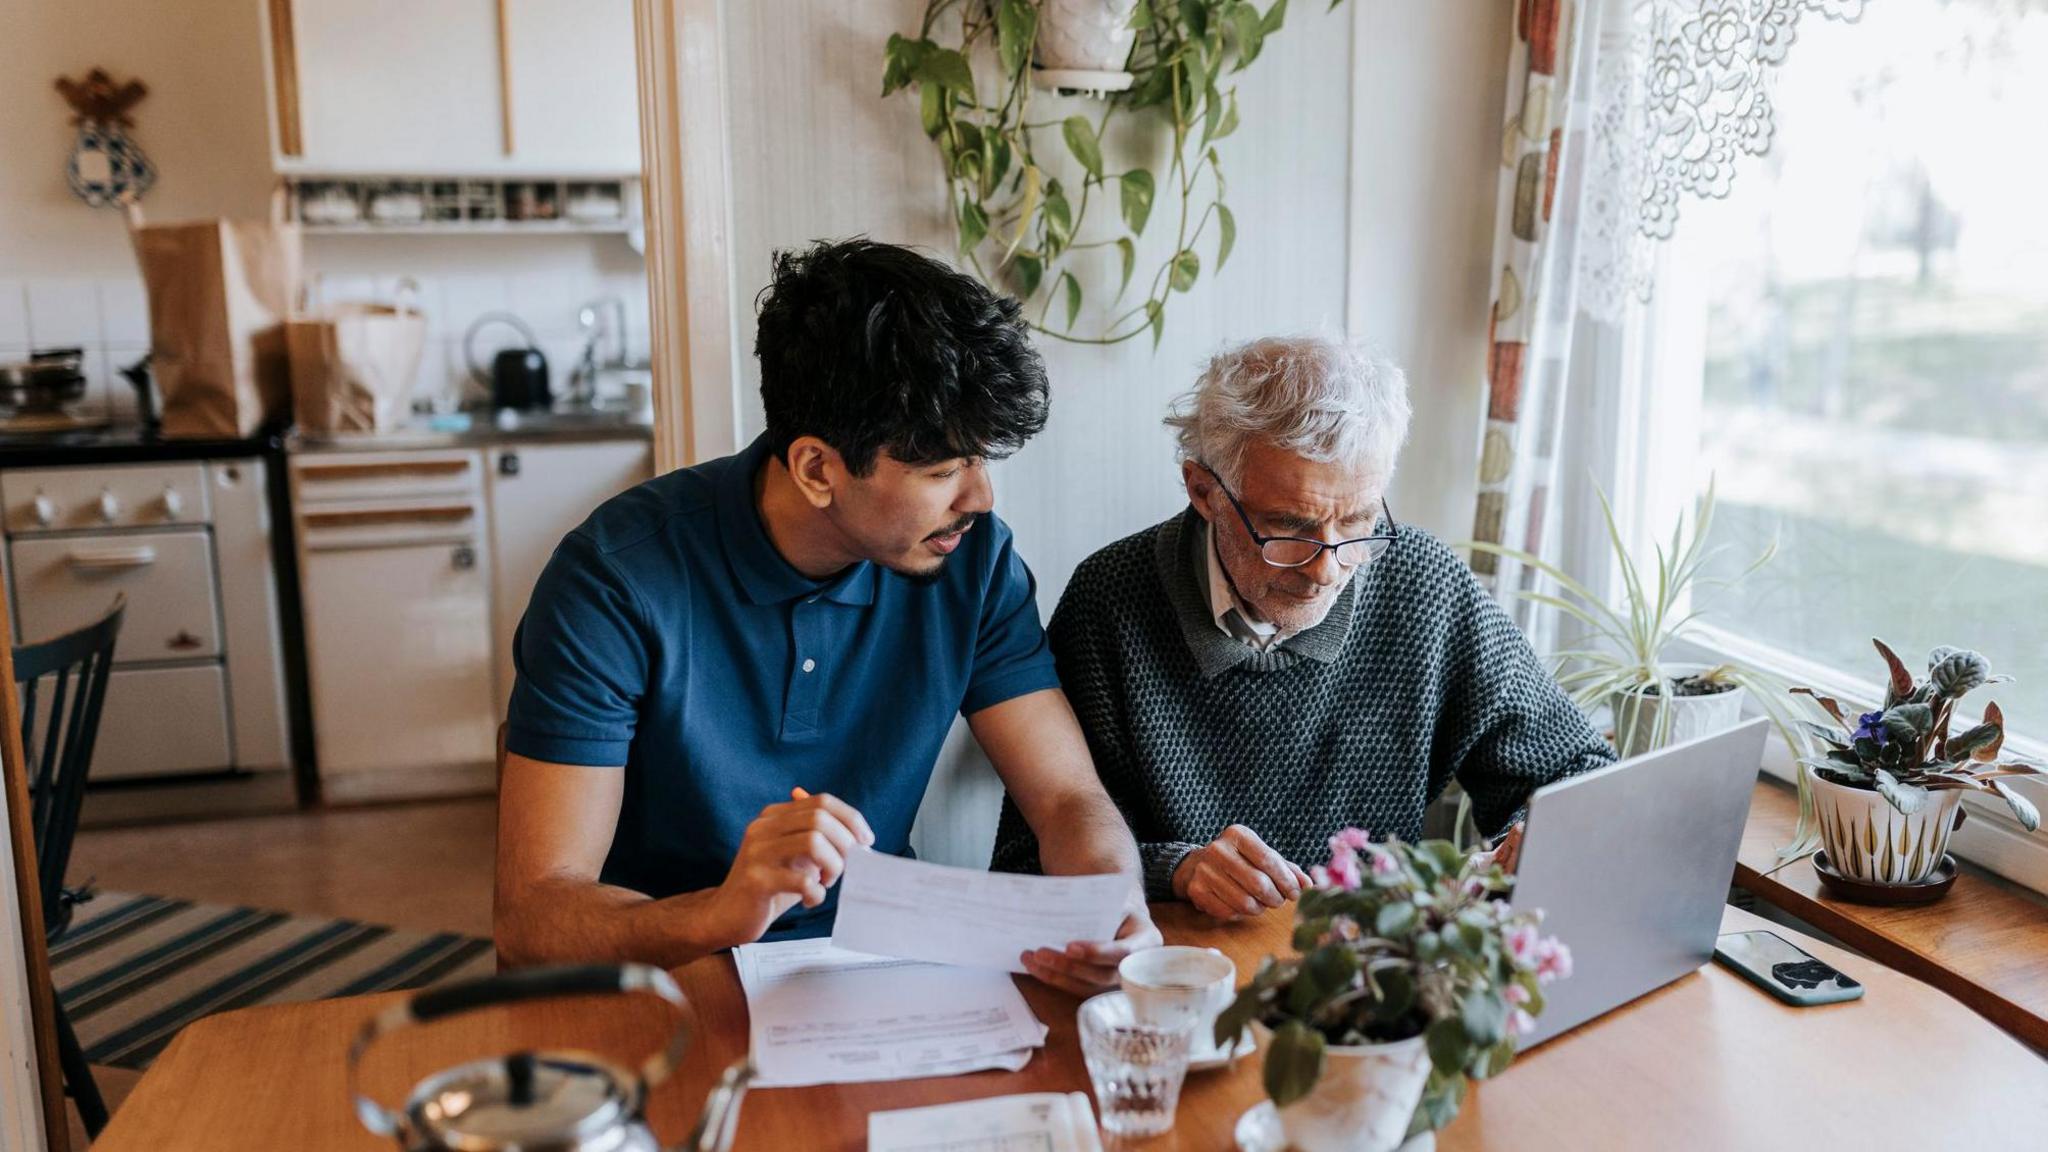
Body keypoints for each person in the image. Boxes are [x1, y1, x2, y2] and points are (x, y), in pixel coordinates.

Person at [496, 238, 1158, 991]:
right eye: (944, 471)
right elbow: (533, 919)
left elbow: (1067, 797)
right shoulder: (613, 581)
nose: (981, 499)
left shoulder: (972, 562)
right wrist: (724, 912)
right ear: (817, 468)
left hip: (884, 978)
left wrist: (1112, 898)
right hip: (669, 983)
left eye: (981, 462)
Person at [991, 335, 1613, 919]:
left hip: (1371, 973)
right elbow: (1029, 863)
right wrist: (1174, 870)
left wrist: (1524, 845)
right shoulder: (1110, 602)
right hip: (1192, 970)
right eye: (1288, 528)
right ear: (1203, 491)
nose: (1327, 567)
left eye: (1358, 521)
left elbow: (1577, 772)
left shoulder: (1421, 582)